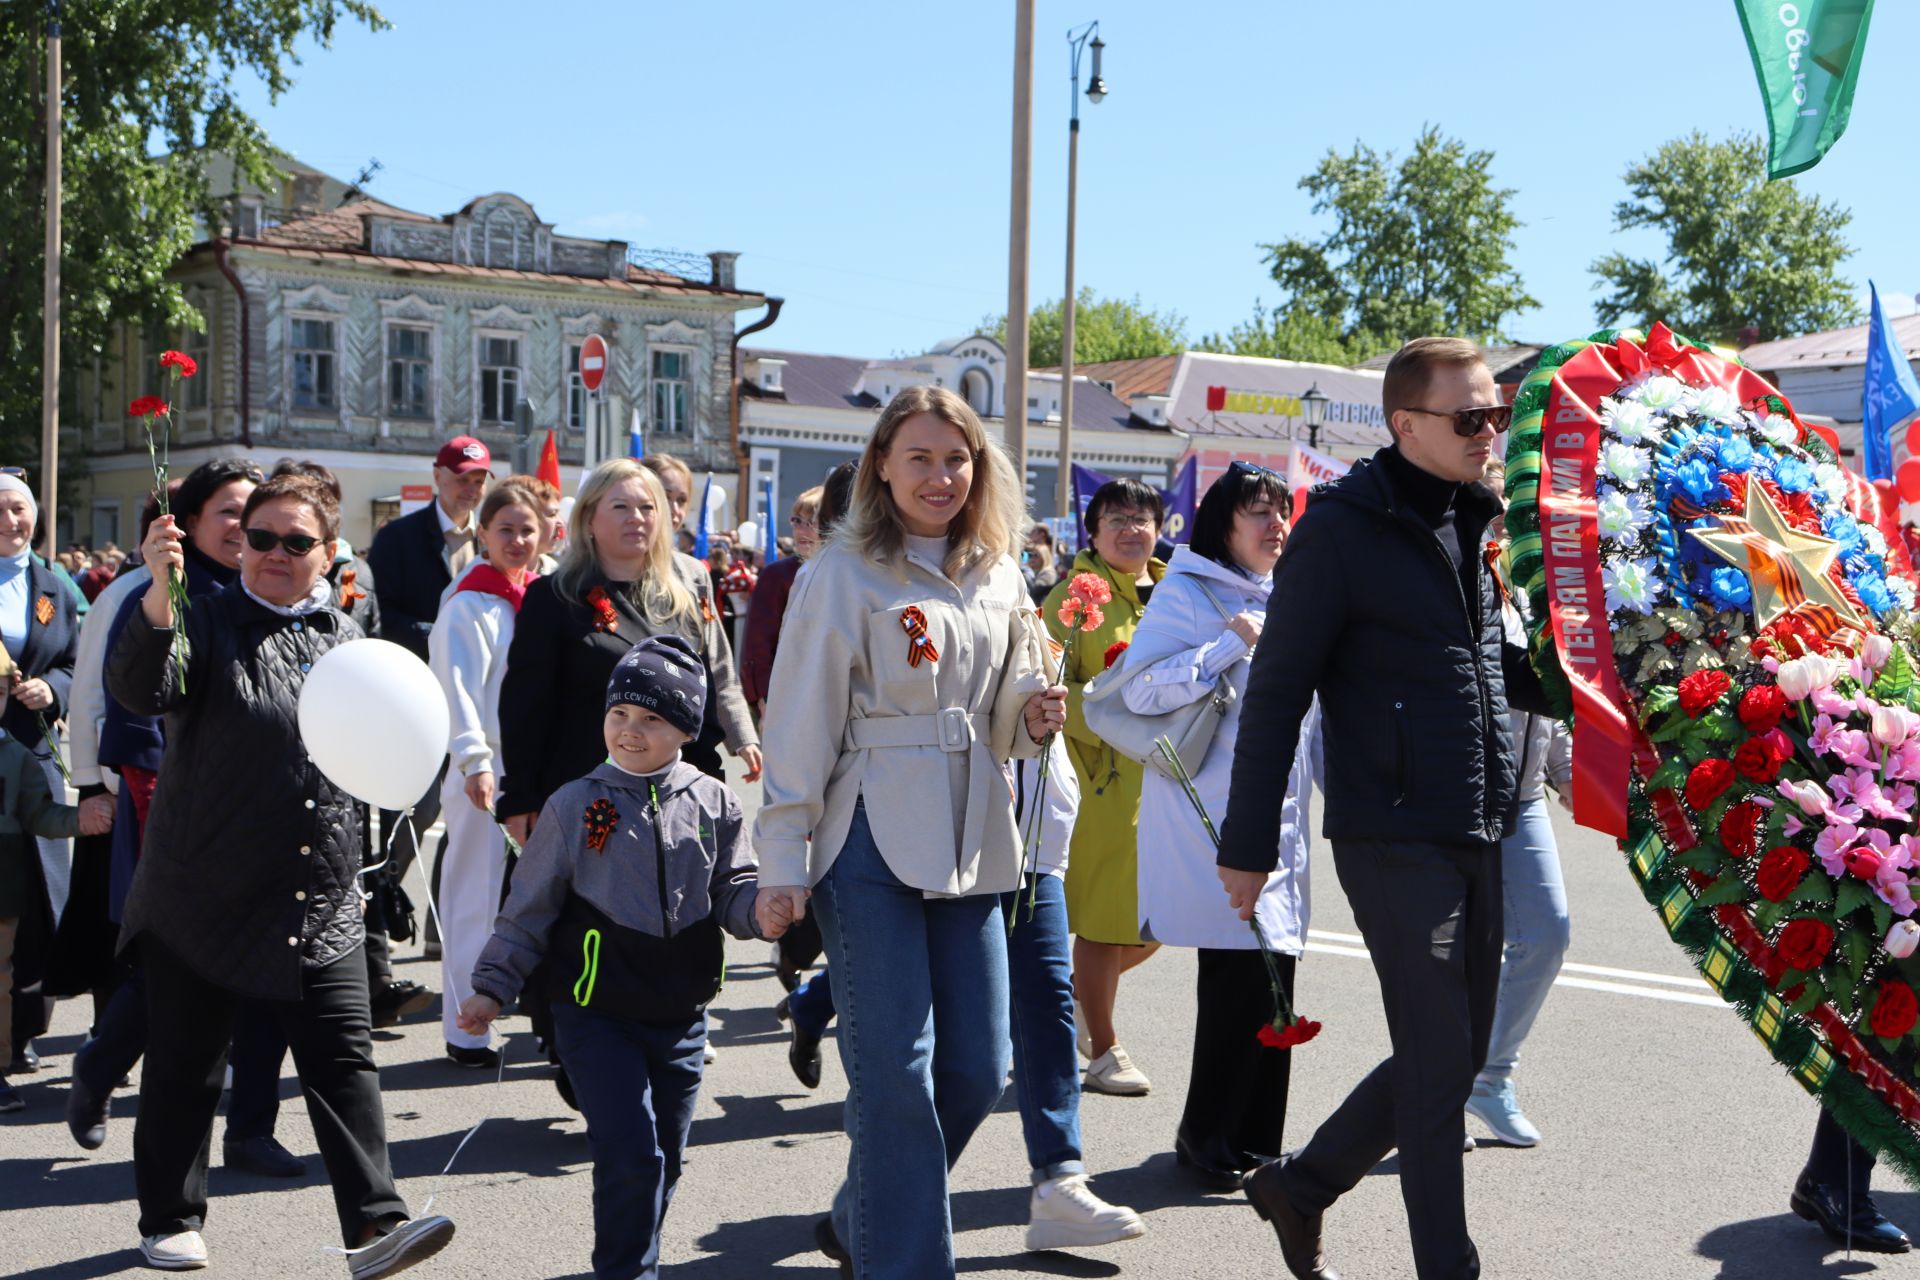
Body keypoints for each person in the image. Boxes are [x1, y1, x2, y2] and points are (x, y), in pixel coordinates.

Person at [1219, 337, 1546, 1280]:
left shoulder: (1481, 518)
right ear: (1406, 425)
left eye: (1497, 415)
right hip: (1391, 827)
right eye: (1471, 418)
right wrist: (1249, 847)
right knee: (1443, 1058)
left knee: (1458, 1049)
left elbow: (1489, 669)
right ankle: (1451, 1266)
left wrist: (1602, 686)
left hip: (1481, 816)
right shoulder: (1343, 530)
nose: (1493, 433)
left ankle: (1302, 1184)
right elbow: (1278, 689)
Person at [108, 470, 454, 1276]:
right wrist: (161, 596)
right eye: (257, 538)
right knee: (187, 1068)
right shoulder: (203, 616)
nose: (272, 553)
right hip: (203, 889)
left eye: (296, 542)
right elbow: (139, 684)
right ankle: (169, 1216)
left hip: (320, 890)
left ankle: (375, 1228)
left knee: (344, 1061)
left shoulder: (347, 636)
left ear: (330, 556)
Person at [753, 384, 1064, 1279]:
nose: (940, 476)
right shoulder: (838, 575)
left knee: (978, 1067)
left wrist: (1031, 715)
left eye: (956, 458)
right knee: (895, 1076)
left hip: (976, 839)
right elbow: (800, 729)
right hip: (866, 840)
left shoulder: (1001, 572)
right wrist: (783, 862)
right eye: (920, 457)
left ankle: (863, 1216)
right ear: (879, 466)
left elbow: (1002, 717)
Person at [461, 636, 764, 1280]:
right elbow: (527, 909)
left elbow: (734, 891)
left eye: (652, 718)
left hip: (680, 1013)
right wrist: (491, 987)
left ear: (684, 728)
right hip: (595, 1014)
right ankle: (627, 1271)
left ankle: (634, 1254)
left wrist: (762, 912)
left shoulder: (715, 802)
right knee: (630, 1151)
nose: (630, 730)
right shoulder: (575, 804)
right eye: (619, 713)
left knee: (666, 1156)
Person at [1124, 462, 1318, 1189]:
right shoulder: (1188, 592)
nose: (1275, 527)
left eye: (1281, 514)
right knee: (1238, 974)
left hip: (1282, 813)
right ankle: (1206, 1134)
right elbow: (1140, 688)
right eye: (1258, 514)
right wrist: (1227, 644)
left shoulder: (1287, 592)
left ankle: (1256, 1137)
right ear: (1222, 525)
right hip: (1213, 812)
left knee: (1275, 974)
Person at [1043, 478, 1166, 1096]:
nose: (1130, 528)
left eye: (1142, 517)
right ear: (1091, 531)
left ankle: (1073, 1001)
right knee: (1105, 919)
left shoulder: (1176, 591)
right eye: (1116, 518)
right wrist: (1119, 725)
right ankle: (1104, 1048)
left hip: (1169, 780)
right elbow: (1048, 689)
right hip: (1101, 780)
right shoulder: (1075, 597)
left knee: (1169, 913)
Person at [1467, 457, 1572, 1148]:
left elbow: (1550, 710)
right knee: (1456, 956)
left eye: (1509, 504)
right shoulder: (1455, 581)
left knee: (1549, 931)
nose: (1505, 517)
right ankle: (1444, 1090)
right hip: (1463, 796)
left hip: (1524, 796)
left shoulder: (1526, 594)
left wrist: (1579, 782)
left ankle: (1490, 1077)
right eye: (1493, 506)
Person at [366, 437, 492, 1003]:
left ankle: (447, 928)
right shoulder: (398, 538)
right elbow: (383, 616)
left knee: (467, 816)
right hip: (413, 701)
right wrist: (447, 638)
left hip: (477, 703)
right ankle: (380, 913)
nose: (473, 487)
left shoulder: (495, 536)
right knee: (406, 819)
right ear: (438, 474)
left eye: (481, 477)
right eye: (463, 476)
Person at [429, 482, 544, 1069]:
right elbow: (458, 692)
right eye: (506, 530)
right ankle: (465, 1025)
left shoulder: (539, 595)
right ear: (483, 533)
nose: (519, 541)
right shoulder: (471, 603)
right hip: (488, 768)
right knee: (474, 892)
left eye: (528, 529)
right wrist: (474, 760)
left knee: (540, 894)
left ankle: (537, 1008)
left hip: (536, 765)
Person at [0, 679, 115, 1111]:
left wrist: (80, 819)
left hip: (2, 896)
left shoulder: (15, 756)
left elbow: (38, 813)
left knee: (0, 982)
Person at [0, 473, 81, 1079]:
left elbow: (77, 665)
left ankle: (24, 1027)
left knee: (40, 898)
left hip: (34, 759)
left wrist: (49, 689)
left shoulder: (54, 585)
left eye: (19, 509)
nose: (10, 520)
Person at [740, 485, 823, 718]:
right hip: (785, 697)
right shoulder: (778, 575)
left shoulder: (846, 572)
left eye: (813, 521)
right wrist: (764, 696)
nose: (802, 530)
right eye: (797, 520)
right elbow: (758, 643)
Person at [1024, 523, 1060, 603]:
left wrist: (1026, 576)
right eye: (1030, 555)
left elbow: (1035, 592)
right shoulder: (1036, 572)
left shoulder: (1048, 573)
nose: (1032, 558)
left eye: (1036, 555)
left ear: (1044, 557)